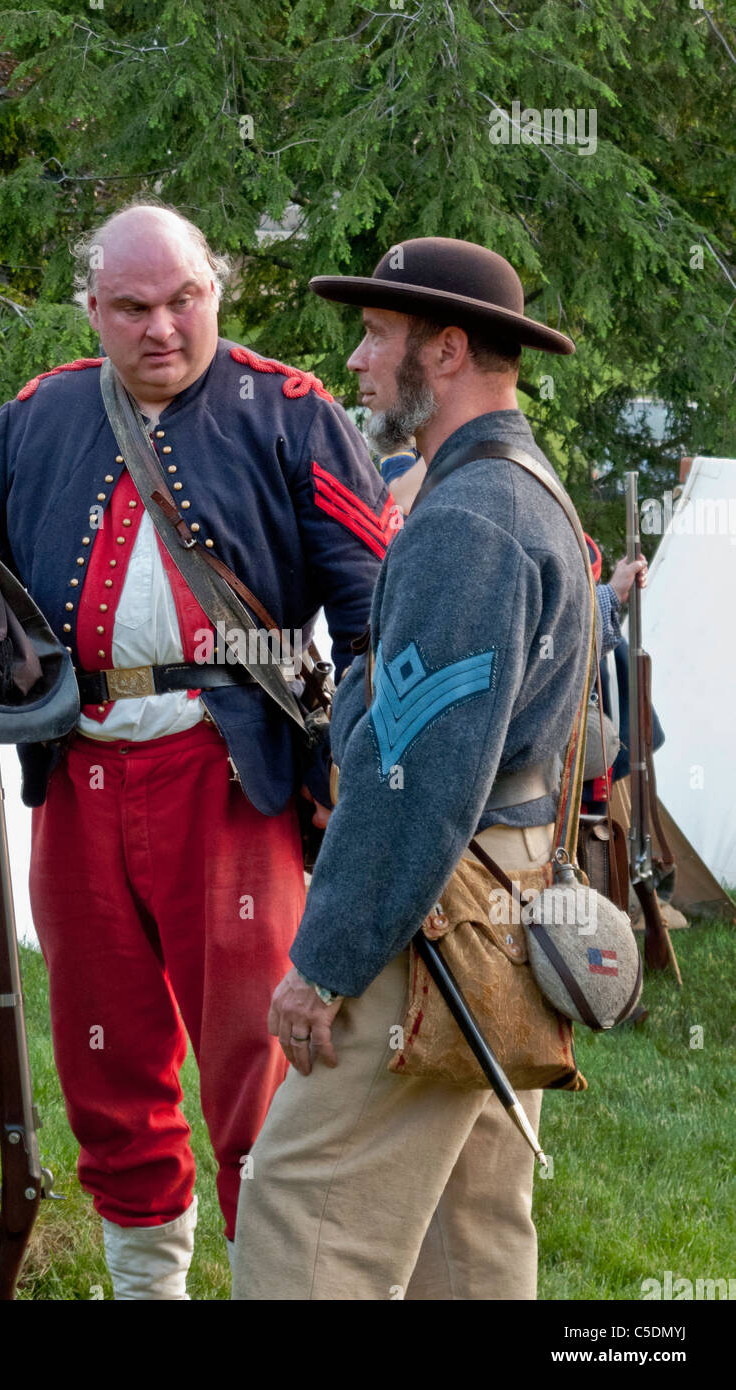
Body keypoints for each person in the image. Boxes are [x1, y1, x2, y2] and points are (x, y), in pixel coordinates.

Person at [0, 201, 399, 1299]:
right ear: (94, 309)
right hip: (74, 774)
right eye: (132, 307)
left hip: (227, 778)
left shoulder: (289, 412)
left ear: (216, 290)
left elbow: (380, 608)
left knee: (255, 1059)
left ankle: (275, 1277)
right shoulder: (33, 417)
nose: (163, 328)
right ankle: (147, 1289)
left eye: (185, 299)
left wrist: (358, 781)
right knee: (106, 1058)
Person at [232, 235, 591, 1301]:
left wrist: (328, 965)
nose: (356, 360)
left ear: (444, 350)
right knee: (465, 1241)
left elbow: (412, 777)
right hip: (493, 902)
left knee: (304, 1212)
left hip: (436, 910)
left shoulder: (472, 519)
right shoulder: (521, 490)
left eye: (377, 335)